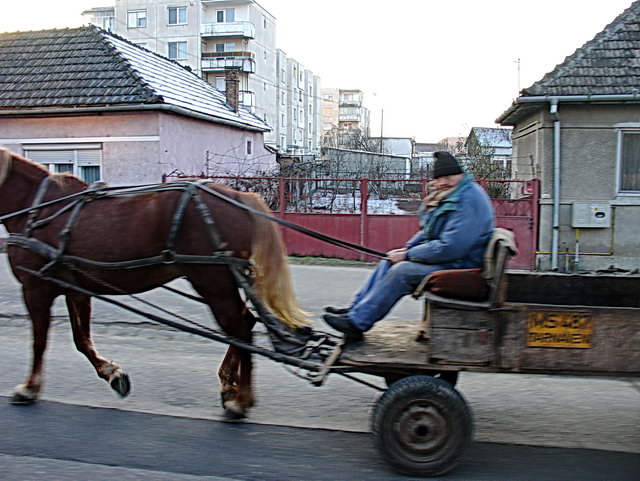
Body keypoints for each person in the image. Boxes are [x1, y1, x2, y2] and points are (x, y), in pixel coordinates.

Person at [322, 151, 495, 340]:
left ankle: (357, 323)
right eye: (440, 178)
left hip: (464, 265)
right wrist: (406, 249)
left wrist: (408, 255)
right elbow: (430, 231)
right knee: (389, 261)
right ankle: (355, 310)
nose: (444, 182)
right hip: (454, 259)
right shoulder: (453, 195)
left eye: (449, 177)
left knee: (402, 271)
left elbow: (451, 247)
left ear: (461, 175)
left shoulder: (468, 200)